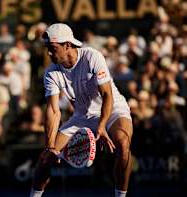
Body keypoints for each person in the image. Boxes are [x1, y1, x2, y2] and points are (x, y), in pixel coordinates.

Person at [30, 23, 133, 197]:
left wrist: (101, 127)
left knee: (123, 143)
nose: (48, 53)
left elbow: (107, 95)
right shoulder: (51, 72)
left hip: (113, 110)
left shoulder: (92, 56)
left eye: (52, 48)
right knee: (44, 160)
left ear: (67, 45)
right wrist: (50, 147)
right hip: (81, 117)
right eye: (47, 48)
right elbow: (54, 111)